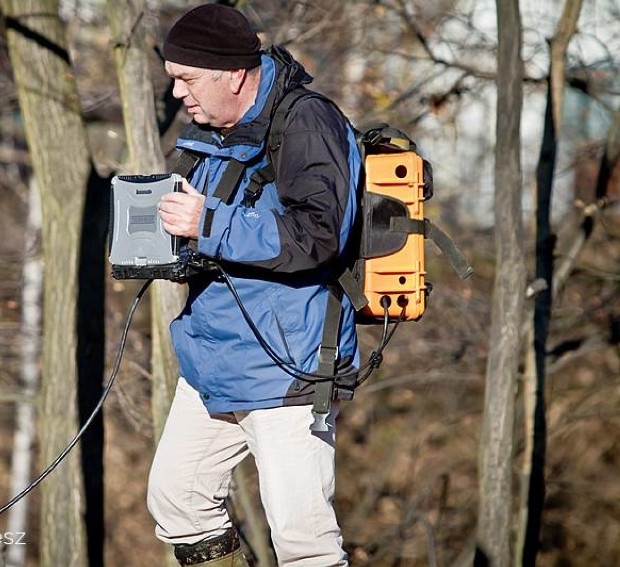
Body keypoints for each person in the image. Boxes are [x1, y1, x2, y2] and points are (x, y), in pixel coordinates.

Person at [150, 4, 361, 566]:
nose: (178, 95)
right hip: (215, 357)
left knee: (303, 542)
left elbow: (319, 235)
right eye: (174, 80)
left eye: (187, 80)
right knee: (177, 500)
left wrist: (209, 224)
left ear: (234, 74)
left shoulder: (309, 123)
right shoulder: (213, 130)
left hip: (288, 365)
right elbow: (223, 230)